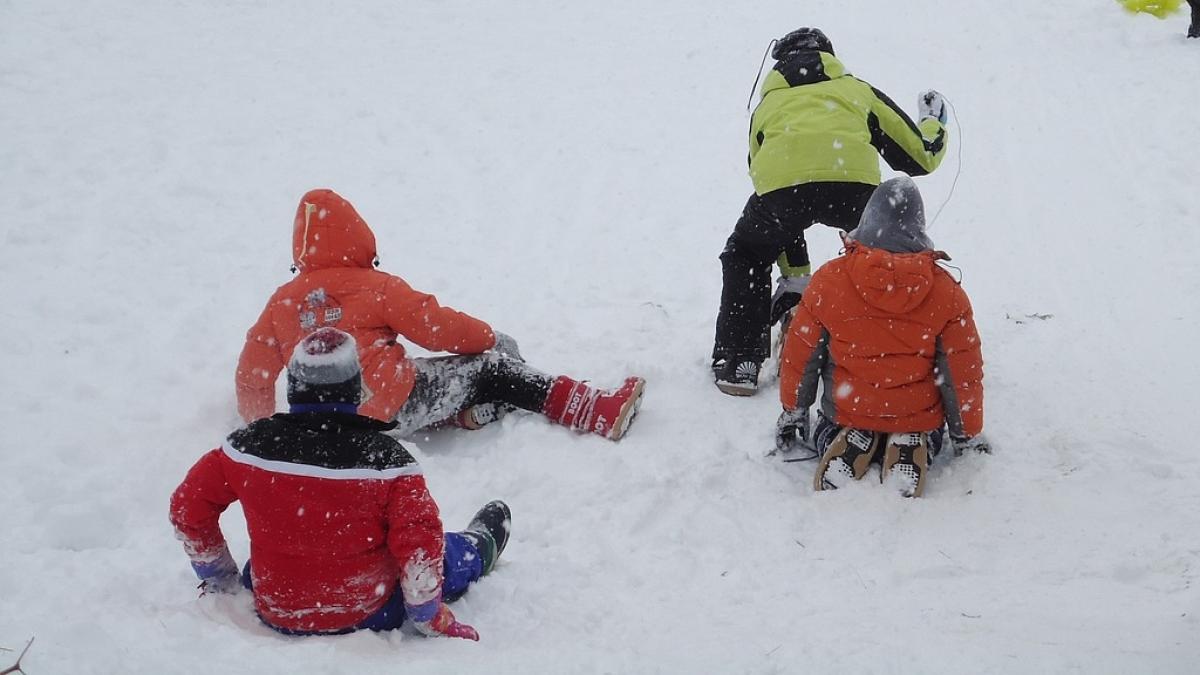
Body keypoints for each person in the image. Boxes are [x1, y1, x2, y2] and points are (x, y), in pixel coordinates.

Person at [171, 328, 511, 638]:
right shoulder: (389, 463)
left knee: (273, 563)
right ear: (354, 390)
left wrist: (221, 578)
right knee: (447, 555)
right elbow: (420, 547)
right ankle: (480, 546)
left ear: (294, 387)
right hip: (371, 609)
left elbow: (187, 508)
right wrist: (429, 615)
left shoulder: (245, 449)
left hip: (276, 605)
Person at [236, 188, 645, 441]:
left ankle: (466, 415)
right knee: (494, 368)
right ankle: (595, 411)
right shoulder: (376, 286)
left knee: (420, 374)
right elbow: (437, 328)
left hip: (327, 426)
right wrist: (487, 338)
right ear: (358, 237)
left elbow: (252, 374)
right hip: (391, 408)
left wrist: (261, 428)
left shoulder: (282, 301)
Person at [712, 27, 951, 396]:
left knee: (748, 252)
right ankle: (905, 352)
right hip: (852, 186)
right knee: (887, 258)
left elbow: (763, 175)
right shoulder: (856, 90)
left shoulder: (767, 106)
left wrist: (795, 275)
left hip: (782, 191)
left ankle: (740, 361)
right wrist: (934, 121)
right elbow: (921, 157)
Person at [774, 177, 988, 498]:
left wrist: (794, 409)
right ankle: (908, 442)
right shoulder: (946, 291)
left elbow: (802, 355)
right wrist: (965, 434)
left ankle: (845, 438)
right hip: (918, 418)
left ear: (866, 220)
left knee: (833, 427)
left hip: (845, 410)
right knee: (922, 431)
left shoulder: (831, 280)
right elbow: (960, 373)